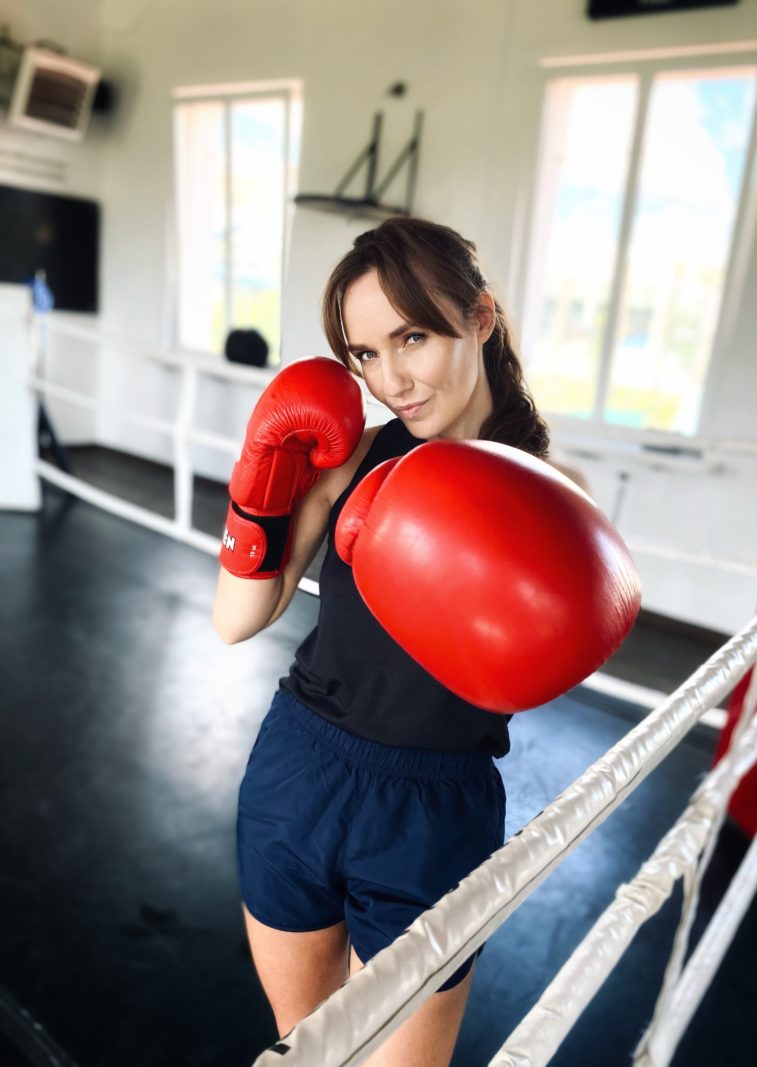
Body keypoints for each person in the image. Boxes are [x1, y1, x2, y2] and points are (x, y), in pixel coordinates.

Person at [212, 217, 633, 1065]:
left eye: (412, 338)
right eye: (365, 354)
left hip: (433, 808)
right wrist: (259, 486)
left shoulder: (552, 489)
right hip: (299, 768)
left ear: (479, 317)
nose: (390, 379)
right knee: (303, 1047)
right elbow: (238, 618)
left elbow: (545, 658)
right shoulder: (356, 456)